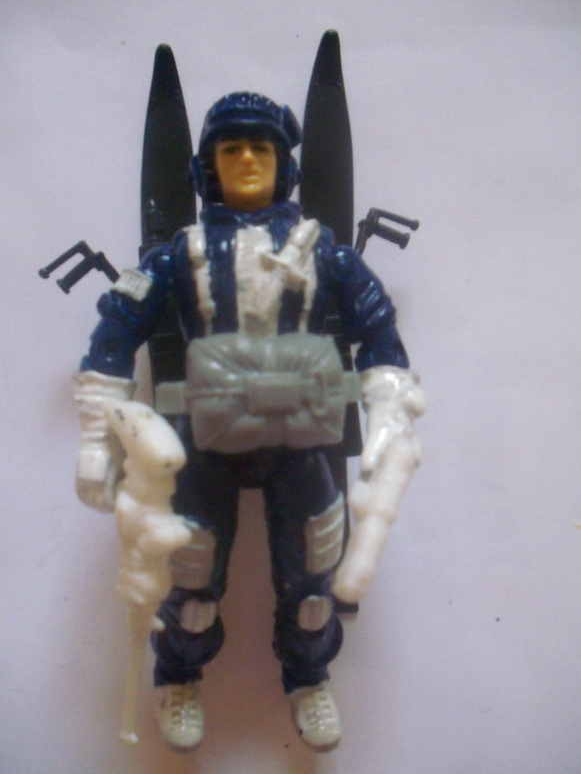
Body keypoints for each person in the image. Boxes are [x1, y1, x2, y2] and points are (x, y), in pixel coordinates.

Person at [73, 92, 425, 752]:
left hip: (303, 438)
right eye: (230, 148)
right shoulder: (178, 256)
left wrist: (387, 420)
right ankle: (179, 674)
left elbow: (380, 335)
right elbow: (114, 337)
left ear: (283, 162)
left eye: (260, 147)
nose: (246, 160)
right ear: (207, 166)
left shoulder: (327, 256)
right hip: (205, 439)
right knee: (190, 578)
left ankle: (308, 674)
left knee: (314, 584)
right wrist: (99, 440)